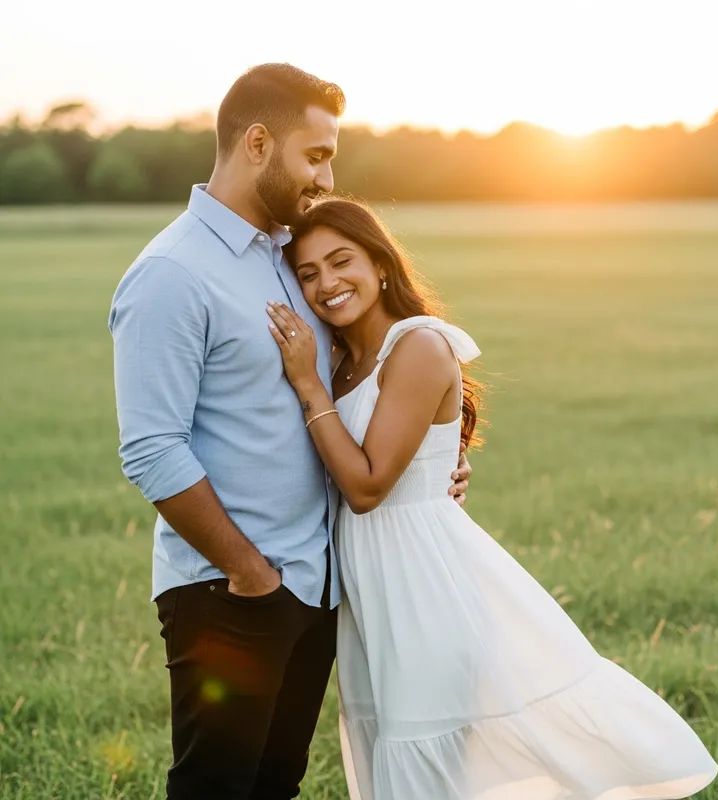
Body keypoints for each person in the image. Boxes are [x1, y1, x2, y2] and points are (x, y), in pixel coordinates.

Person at [266, 197, 718, 800]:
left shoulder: (418, 347)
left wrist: (305, 384)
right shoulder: (342, 360)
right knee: (398, 758)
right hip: (371, 589)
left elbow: (367, 487)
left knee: (426, 760)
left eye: (341, 260)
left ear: (380, 263)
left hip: (423, 585)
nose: (327, 283)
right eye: (308, 273)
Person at [108, 64, 472, 799]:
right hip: (230, 591)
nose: (327, 177)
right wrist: (248, 572)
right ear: (257, 143)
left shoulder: (292, 258)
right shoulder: (171, 273)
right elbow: (150, 447)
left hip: (319, 586)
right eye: (316, 155)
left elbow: (367, 384)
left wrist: (432, 468)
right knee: (215, 787)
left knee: (276, 784)